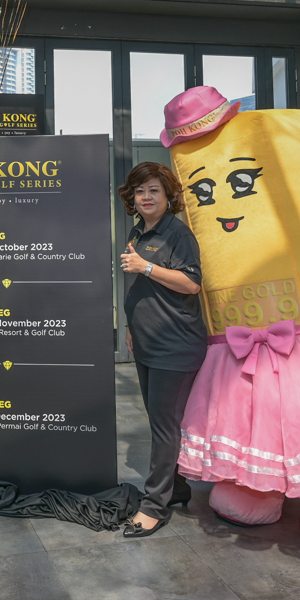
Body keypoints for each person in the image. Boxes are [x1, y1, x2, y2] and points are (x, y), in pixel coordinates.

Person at [118, 161, 208, 537]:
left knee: (164, 428)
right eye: (140, 191)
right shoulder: (138, 231)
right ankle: (177, 488)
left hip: (175, 345)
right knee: (161, 423)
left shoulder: (178, 234)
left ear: (168, 195)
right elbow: (138, 288)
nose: (146, 197)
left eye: (154, 190)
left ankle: (154, 505)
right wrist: (130, 326)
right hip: (147, 343)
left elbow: (191, 284)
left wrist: (146, 267)